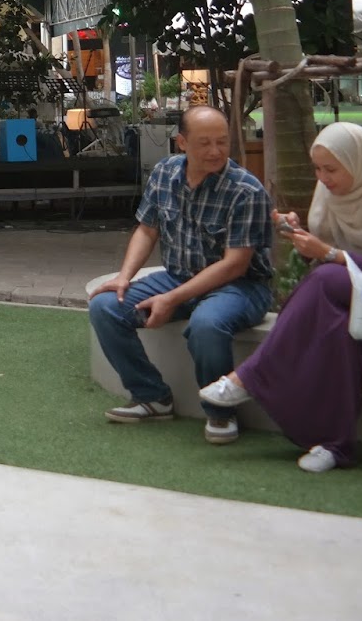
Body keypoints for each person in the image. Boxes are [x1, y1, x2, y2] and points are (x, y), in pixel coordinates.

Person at [198, 123, 362, 472]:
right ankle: (335, 445)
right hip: (359, 297)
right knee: (337, 330)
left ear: (359, 162)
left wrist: (330, 254)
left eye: (331, 169)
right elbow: (329, 259)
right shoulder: (331, 194)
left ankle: (249, 377)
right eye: (318, 168)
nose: (323, 178)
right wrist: (302, 238)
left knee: (326, 277)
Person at [88, 105, 275, 445]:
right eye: (205, 143)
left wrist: (172, 299)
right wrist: (124, 277)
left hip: (239, 286)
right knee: (105, 307)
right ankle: (152, 397)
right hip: (178, 276)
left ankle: (220, 412)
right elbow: (147, 230)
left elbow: (235, 264)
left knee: (207, 324)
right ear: (182, 143)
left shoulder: (246, 190)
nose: (215, 151)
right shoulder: (165, 172)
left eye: (222, 141)